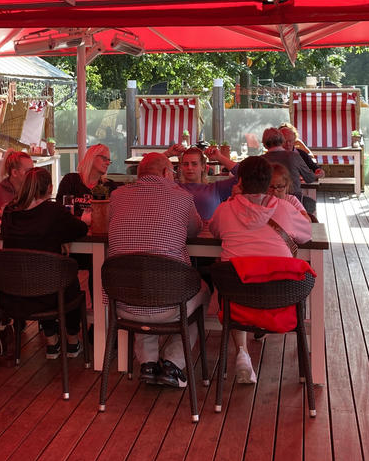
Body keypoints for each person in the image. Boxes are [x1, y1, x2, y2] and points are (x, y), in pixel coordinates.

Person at [107, 152, 206, 388]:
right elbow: (194, 230)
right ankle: (173, 363)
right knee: (203, 290)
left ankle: (148, 363)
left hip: (123, 302)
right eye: (172, 172)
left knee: (140, 280)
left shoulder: (117, 196)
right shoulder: (182, 197)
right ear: (165, 173)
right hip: (170, 304)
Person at [210, 156, 312, 384]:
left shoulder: (225, 210)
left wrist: (234, 198)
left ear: (241, 181)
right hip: (280, 304)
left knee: (236, 278)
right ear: (268, 183)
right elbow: (307, 234)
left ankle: (242, 352)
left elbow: (215, 232)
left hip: (237, 306)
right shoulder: (285, 208)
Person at [1, 167, 88, 358]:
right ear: (50, 188)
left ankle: (51, 340)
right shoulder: (54, 211)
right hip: (51, 296)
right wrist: (65, 234)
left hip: (14, 295)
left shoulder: (9, 212)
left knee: (41, 276)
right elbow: (80, 229)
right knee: (66, 280)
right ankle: (72, 341)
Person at [261, 127, 317, 217]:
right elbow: (310, 178)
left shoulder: (260, 161)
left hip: (268, 205)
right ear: (282, 141)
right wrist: (316, 174)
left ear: (264, 145)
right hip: (294, 203)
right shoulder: (294, 156)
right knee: (311, 204)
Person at [176, 146, 238, 220]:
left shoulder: (216, 189)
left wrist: (219, 157)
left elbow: (248, 176)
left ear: (203, 167)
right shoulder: (173, 187)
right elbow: (158, 173)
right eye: (185, 164)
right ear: (181, 167)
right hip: (178, 231)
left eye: (194, 164)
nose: (189, 167)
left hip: (209, 230)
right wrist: (168, 154)